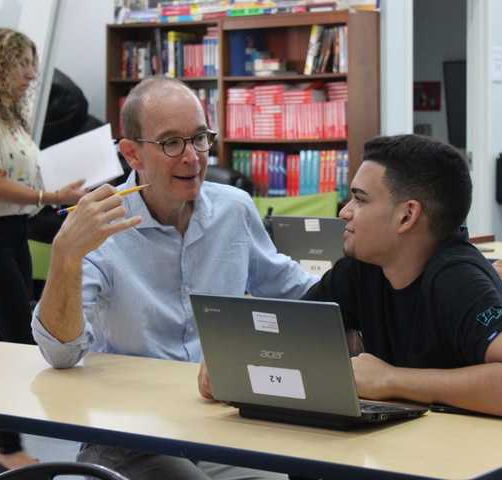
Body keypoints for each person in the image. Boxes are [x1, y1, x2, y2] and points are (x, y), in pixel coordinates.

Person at [32, 76, 317, 479]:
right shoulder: (98, 229)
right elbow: (60, 353)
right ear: (132, 154)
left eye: (199, 138)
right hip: (129, 432)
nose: (193, 157)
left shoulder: (233, 209)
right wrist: (65, 256)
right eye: (171, 143)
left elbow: (292, 289)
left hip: (219, 424)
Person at [200, 134, 502, 424]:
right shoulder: (362, 268)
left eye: (359, 199)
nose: (344, 212)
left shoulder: (457, 278)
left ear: (407, 216)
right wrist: (232, 364)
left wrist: (393, 380)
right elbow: (294, 337)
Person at [0, 28, 86, 473]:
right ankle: (6, 446)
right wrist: (49, 196)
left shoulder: (9, 119)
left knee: (0, 343)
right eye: (24, 64)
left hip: (10, 232)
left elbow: (20, 184)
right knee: (13, 341)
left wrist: (56, 196)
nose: (32, 74)